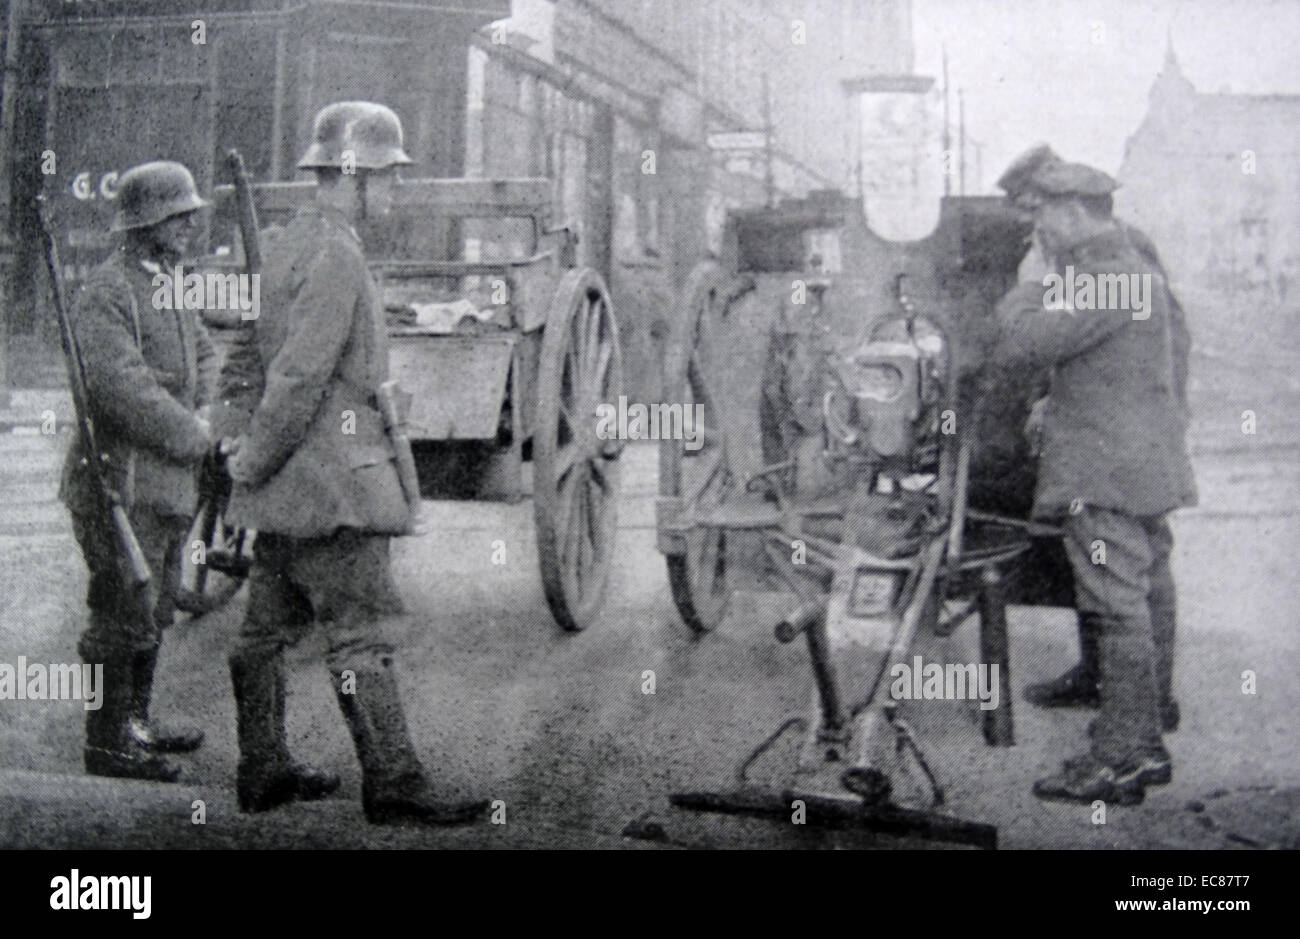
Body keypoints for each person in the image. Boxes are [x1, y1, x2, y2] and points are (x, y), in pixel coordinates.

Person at [216, 101, 486, 825]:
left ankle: (264, 768)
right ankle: (394, 779)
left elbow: (246, 356)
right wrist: (251, 459)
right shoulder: (338, 255)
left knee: (262, 631)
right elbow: (300, 377)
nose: (393, 191)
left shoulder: (284, 246)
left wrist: (242, 449)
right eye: (384, 177)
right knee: (361, 629)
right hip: (337, 486)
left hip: (285, 495)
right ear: (349, 177)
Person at [991, 158, 1197, 803]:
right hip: (1139, 460)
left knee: (1116, 606)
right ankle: (1145, 729)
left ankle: (1123, 758)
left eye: (1043, 216)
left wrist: (1029, 282)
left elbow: (1024, 339)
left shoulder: (1106, 280)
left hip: (1106, 470)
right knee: (1139, 592)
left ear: (1075, 213)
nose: (1038, 231)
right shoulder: (1128, 273)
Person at [61, 160, 215, 781]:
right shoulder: (107, 291)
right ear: (145, 222)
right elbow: (121, 387)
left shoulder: (170, 279)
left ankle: (136, 723)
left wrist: (206, 409)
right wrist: (195, 432)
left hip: (166, 483)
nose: (190, 223)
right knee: (119, 610)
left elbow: (200, 350)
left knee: (153, 609)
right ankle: (106, 742)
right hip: (118, 484)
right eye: (178, 215)